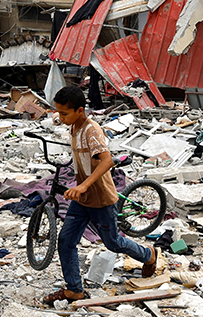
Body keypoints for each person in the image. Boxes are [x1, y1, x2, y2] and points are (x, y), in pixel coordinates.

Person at [42, 85, 158, 304]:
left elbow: (107, 160)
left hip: (101, 199)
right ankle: (74, 289)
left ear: (79, 110)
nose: (60, 117)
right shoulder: (74, 127)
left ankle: (148, 255)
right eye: (58, 112)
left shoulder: (91, 130)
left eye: (64, 113)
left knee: (113, 242)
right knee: (66, 241)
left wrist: (84, 185)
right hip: (82, 200)